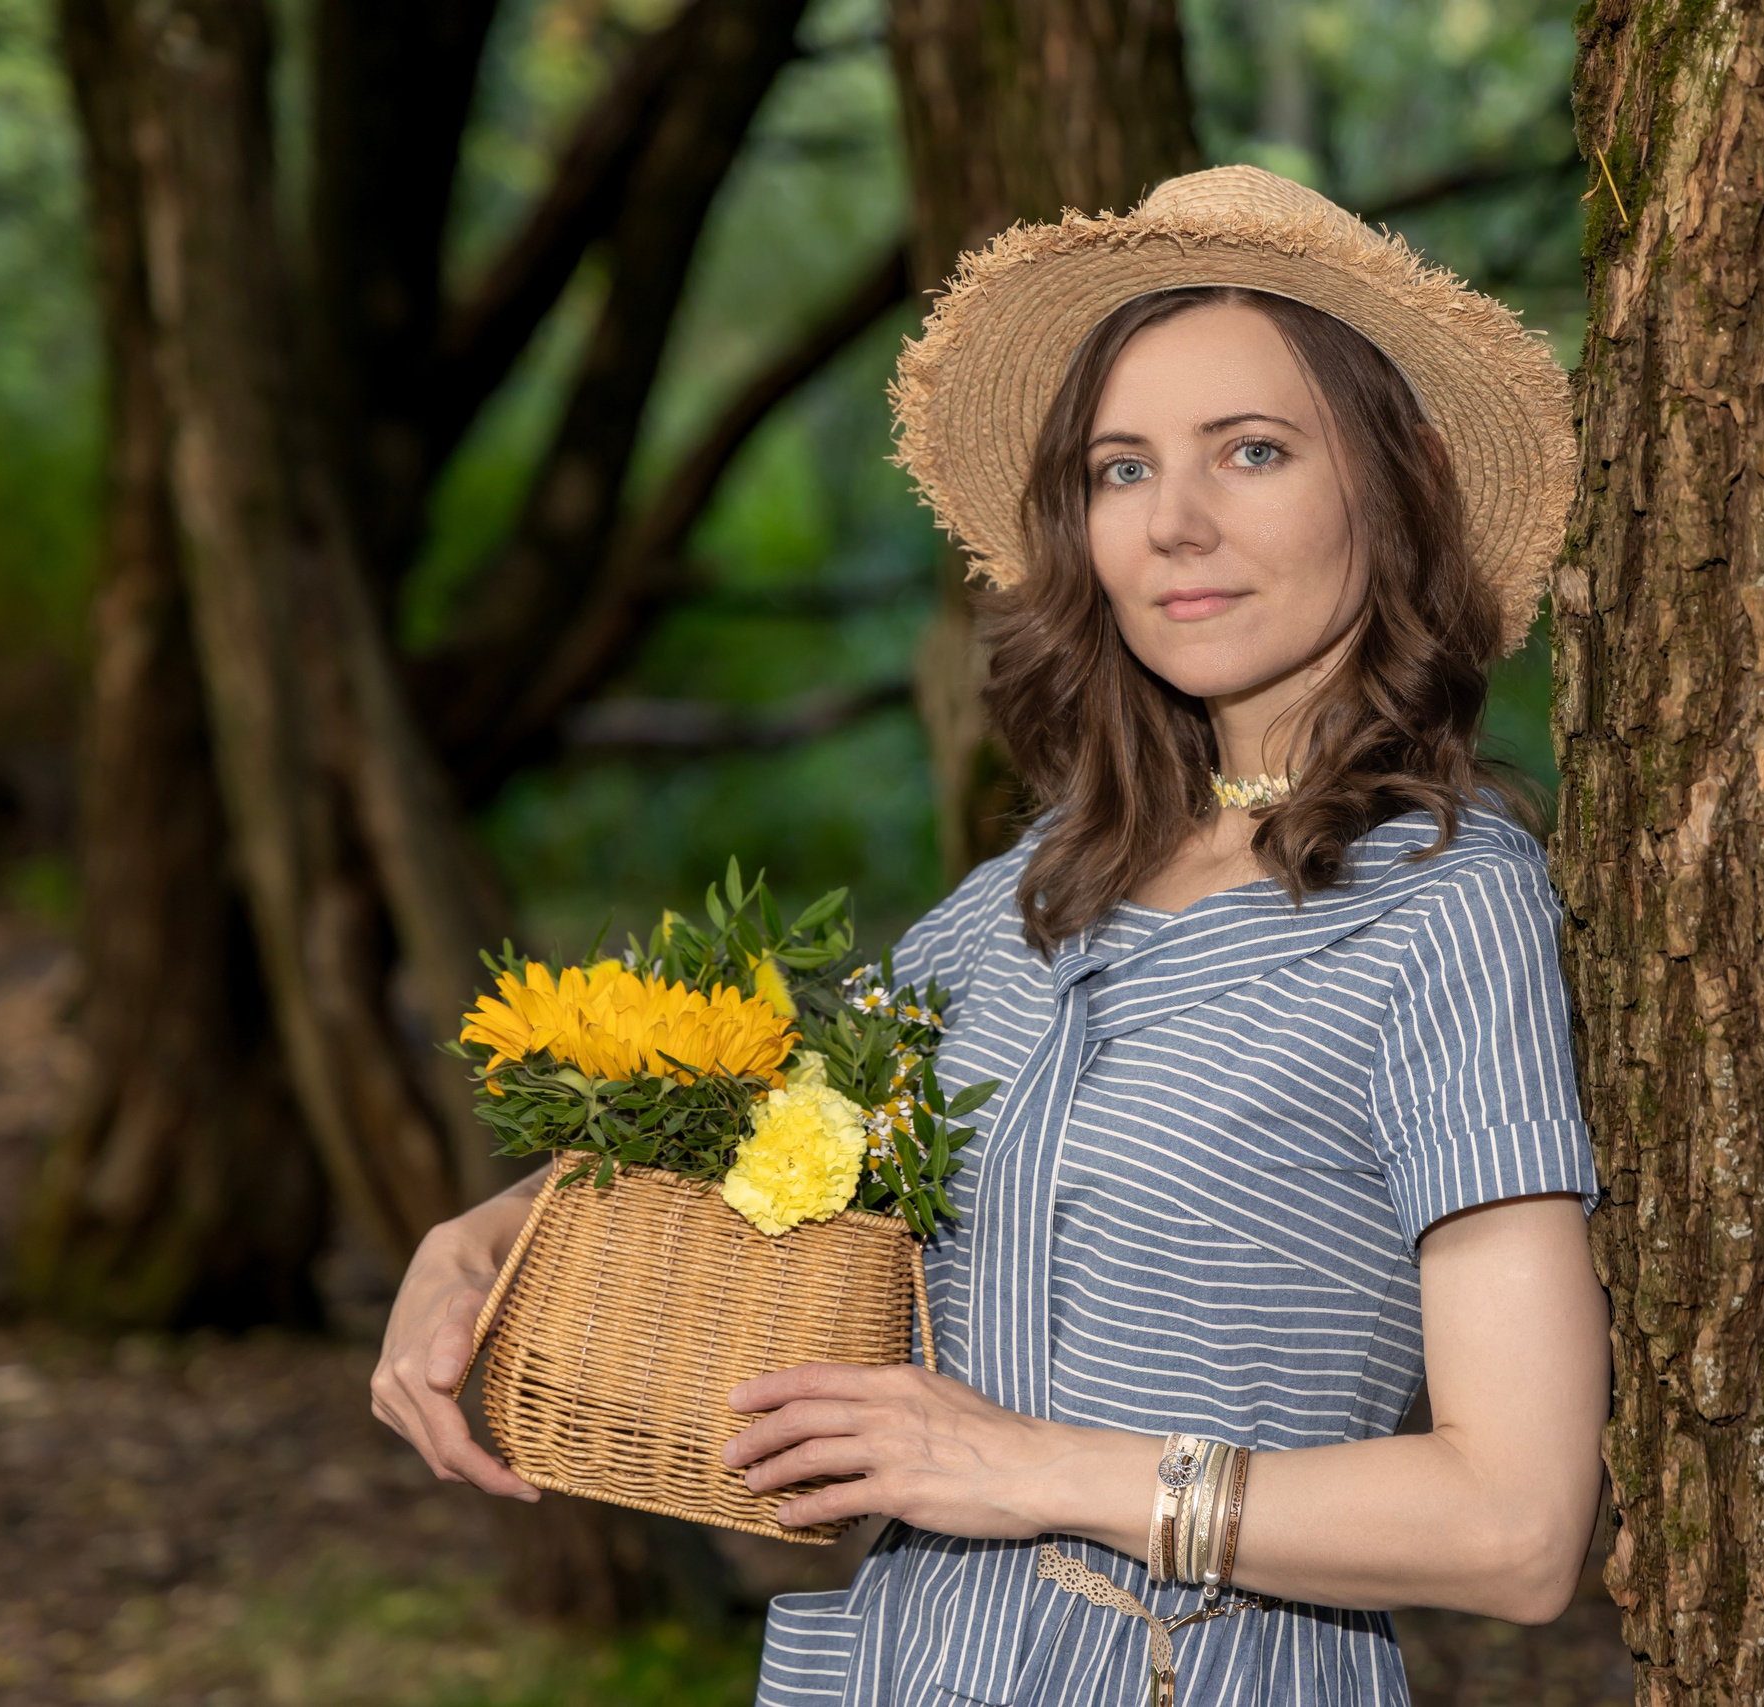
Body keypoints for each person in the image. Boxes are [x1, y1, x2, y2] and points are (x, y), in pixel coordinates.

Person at [372, 165, 1608, 1707]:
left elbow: (1518, 1523)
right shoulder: (1032, 894)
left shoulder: (1448, 905)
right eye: (1120, 469)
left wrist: (1032, 1467)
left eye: (1255, 450)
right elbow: (755, 1138)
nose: (1178, 524)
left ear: (1398, 476)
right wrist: (482, 1239)